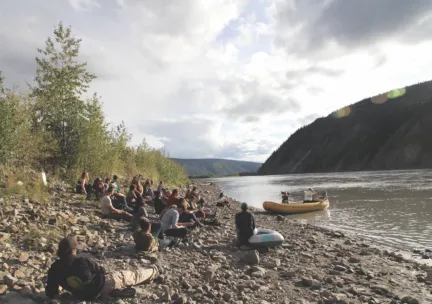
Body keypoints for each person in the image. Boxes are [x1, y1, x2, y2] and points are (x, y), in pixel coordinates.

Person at [45, 237, 158, 301]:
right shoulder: (82, 261)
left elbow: (51, 292)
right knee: (132, 276)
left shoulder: (54, 269)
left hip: (83, 295)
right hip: (103, 285)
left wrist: (60, 287)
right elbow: (102, 272)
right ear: (73, 251)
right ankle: (155, 271)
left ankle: (113, 293)